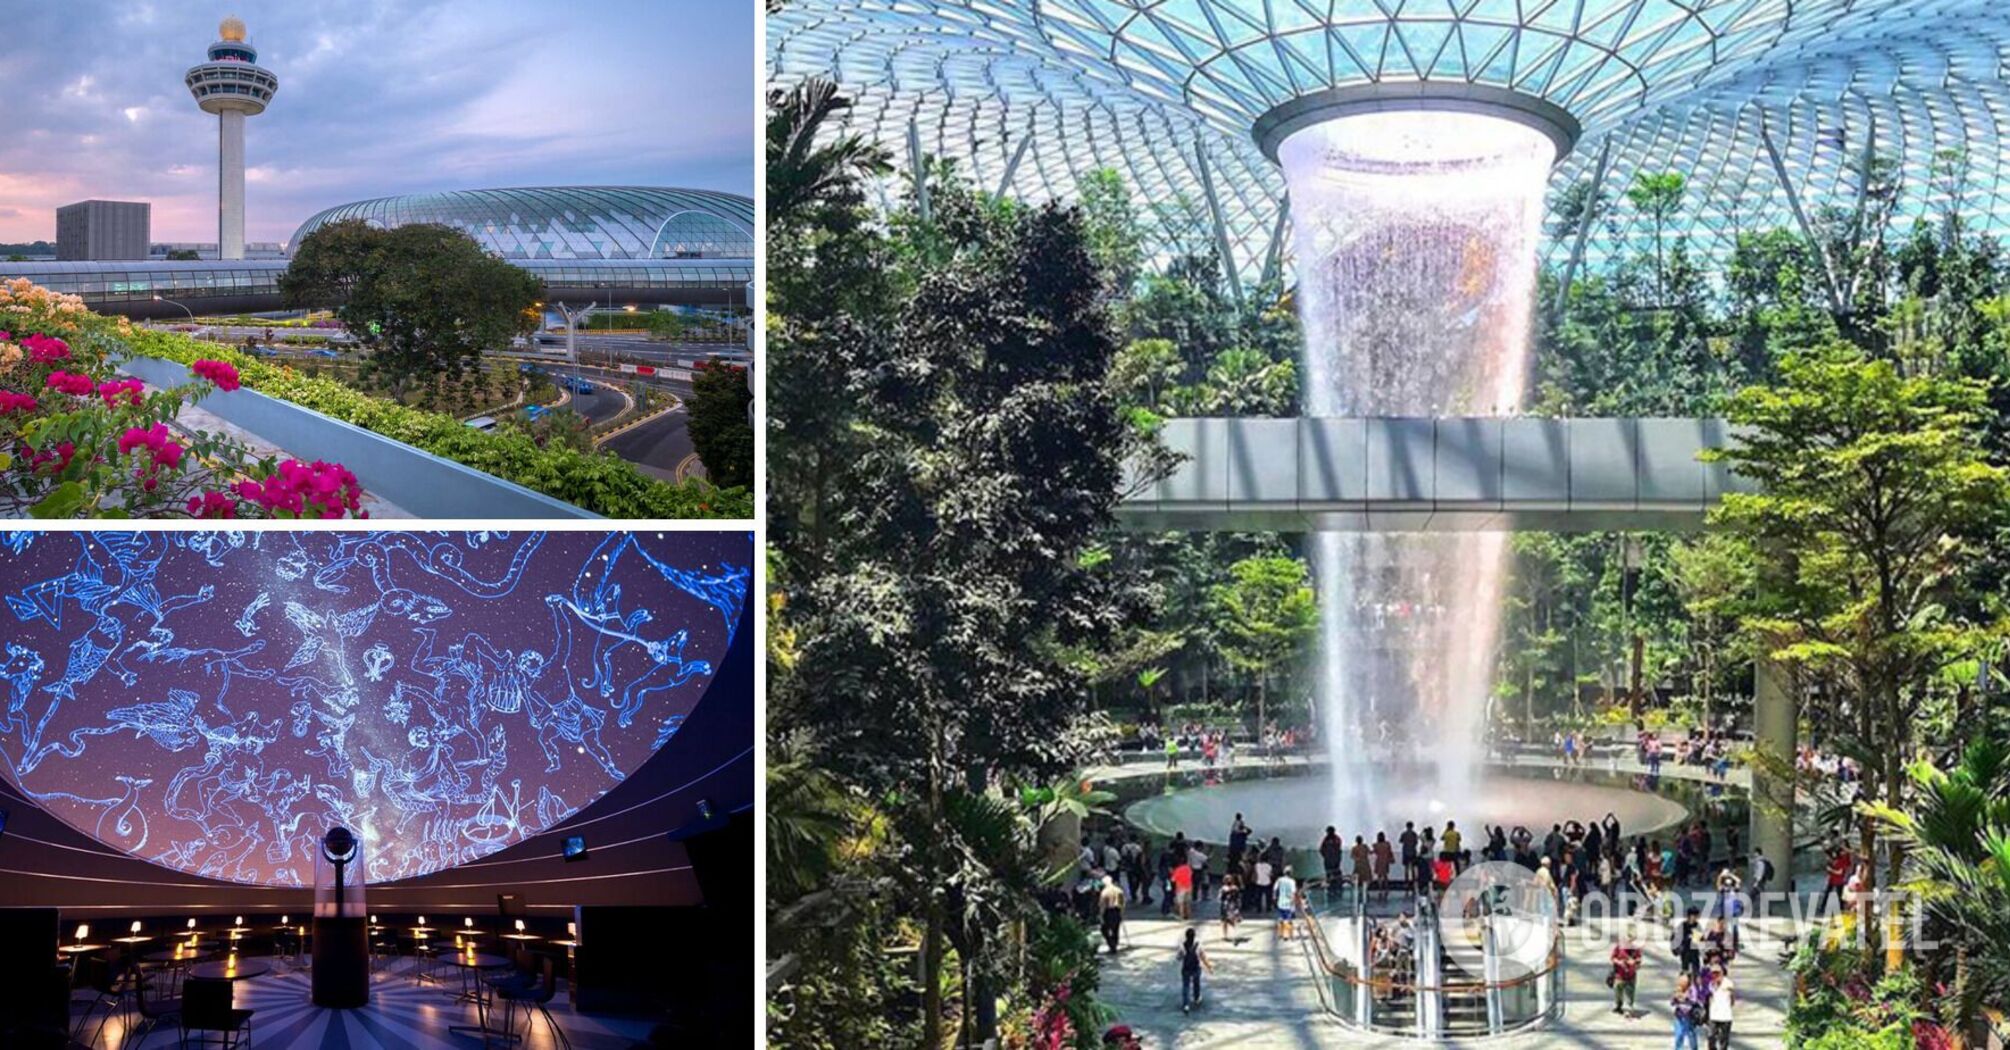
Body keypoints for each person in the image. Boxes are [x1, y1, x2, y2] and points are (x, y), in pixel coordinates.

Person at [1178, 927, 1212, 1013]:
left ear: (1186, 936)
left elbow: (1179, 957)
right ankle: (1196, 998)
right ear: (1194, 936)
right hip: (1196, 968)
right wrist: (1209, 967)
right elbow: (1203, 956)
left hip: (1186, 969)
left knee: (1186, 986)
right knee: (1196, 983)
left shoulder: (1183, 946)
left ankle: (1186, 1004)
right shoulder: (1198, 945)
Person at [1609, 930, 1642, 1015]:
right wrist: (1619, 962)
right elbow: (1612, 958)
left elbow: (1639, 963)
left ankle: (1629, 1007)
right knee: (1618, 991)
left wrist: (1634, 963)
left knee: (1630, 992)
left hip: (1631, 975)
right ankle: (1618, 1005)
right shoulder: (1619, 947)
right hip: (1619, 975)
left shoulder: (1636, 949)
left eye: (1630, 941)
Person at [1706, 965, 1735, 1050]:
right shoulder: (1710, 984)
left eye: (1717, 973)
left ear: (1721, 973)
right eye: (1713, 973)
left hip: (1725, 1015)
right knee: (1711, 1036)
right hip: (1714, 1015)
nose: (1715, 975)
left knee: (1724, 1039)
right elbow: (1709, 997)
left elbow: (1732, 998)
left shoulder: (1728, 983)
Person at [1671, 973, 1702, 1050]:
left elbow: (1694, 1000)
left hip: (1689, 1016)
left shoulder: (1692, 989)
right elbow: (1672, 1003)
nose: (1682, 982)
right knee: (1679, 1034)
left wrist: (1685, 997)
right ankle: (1678, 1048)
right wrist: (1675, 998)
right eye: (1681, 980)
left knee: (1691, 1034)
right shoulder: (1678, 989)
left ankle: (1694, 1048)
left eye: (1684, 980)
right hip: (1679, 1016)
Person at [1098, 876, 1126, 953]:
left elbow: (1102, 905)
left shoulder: (1105, 892)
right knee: (1115, 929)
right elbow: (1122, 903)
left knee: (1104, 929)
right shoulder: (1119, 890)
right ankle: (1115, 944)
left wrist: (1101, 915)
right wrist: (1121, 913)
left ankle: (1112, 944)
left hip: (1108, 911)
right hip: (1117, 911)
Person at [1275, 866, 1299, 940]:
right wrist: (1294, 902)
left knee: (1280, 918)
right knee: (1288, 919)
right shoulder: (1292, 881)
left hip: (1280, 902)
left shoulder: (1279, 880)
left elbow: (1275, 889)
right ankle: (1286, 935)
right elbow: (1293, 893)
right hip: (1288, 903)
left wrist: (1275, 898)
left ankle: (1279, 933)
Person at [1674, 906, 1701, 975]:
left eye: (1697, 916)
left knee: (1696, 971)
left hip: (1694, 952)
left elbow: (1697, 940)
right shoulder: (1683, 925)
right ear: (1690, 916)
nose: (1696, 918)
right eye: (1695, 916)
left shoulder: (1697, 925)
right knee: (1685, 970)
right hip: (1685, 951)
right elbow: (1676, 937)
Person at [1218, 870, 1243, 941]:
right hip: (1229, 906)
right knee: (1227, 920)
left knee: (1226, 920)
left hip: (1228, 906)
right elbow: (1238, 898)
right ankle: (1229, 934)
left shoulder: (1225, 889)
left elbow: (1220, 898)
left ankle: (1228, 934)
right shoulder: (1233, 888)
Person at [1373, 832, 1394, 902]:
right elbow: (1390, 851)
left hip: (1379, 861)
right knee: (1385, 875)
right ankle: (1386, 888)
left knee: (1379, 875)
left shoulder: (1376, 845)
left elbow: (1375, 852)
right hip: (1385, 860)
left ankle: (1380, 888)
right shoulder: (1387, 844)